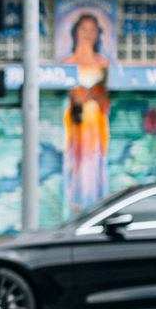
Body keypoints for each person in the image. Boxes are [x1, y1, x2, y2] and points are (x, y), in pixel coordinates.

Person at [63, 14, 111, 214]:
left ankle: (96, 203)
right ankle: (74, 202)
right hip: (76, 121)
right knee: (76, 159)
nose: (87, 34)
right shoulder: (67, 63)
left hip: (96, 121)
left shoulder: (103, 63)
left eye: (92, 30)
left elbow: (106, 97)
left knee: (95, 161)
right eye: (84, 29)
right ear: (76, 31)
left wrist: (94, 95)